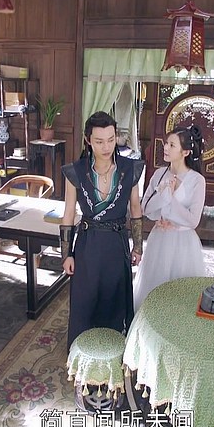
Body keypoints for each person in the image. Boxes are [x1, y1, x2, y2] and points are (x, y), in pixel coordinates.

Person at [60, 111, 145, 350]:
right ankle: (82, 355)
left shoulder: (130, 169)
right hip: (88, 243)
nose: (106, 147)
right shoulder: (75, 171)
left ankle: (111, 354)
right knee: (85, 302)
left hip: (117, 243)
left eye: (111, 139)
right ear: (88, 141)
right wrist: (66, 254)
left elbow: (135, 209)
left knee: (114, 300)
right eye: (99, 141)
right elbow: (68, 213)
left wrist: (138, 246)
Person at [132, 125, 206, 312]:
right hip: (159, 238)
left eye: (172, 145)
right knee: (154, 286)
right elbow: (146, 208)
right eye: (166, 143)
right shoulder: (159, 174)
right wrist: (162, 200)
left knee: (180, 293)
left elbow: (193, 221)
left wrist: (170, 198)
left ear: (185, 152)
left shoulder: (197, 180)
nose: (165, 147)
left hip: (183, 243)